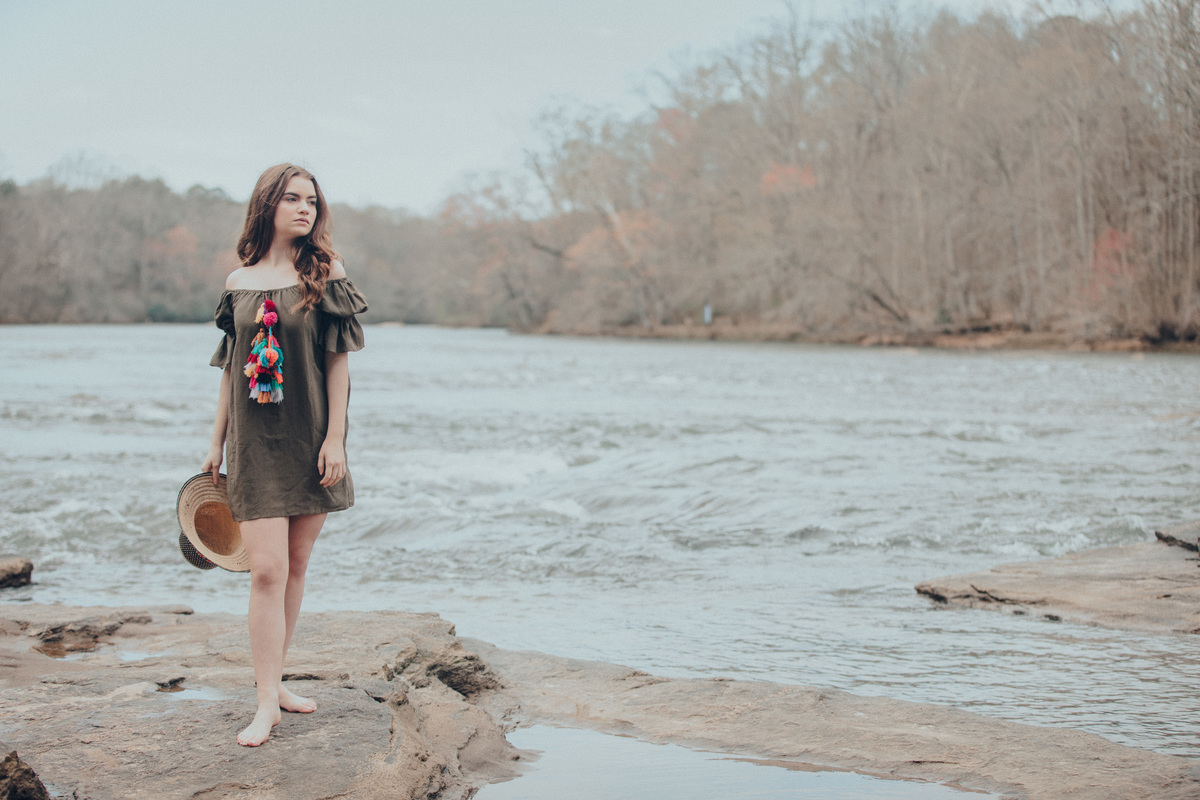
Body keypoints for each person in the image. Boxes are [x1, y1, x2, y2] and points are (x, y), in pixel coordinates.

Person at [201, 164, 368, 747]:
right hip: (254, 444)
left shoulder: (326, 273)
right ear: (267, 205)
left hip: (311, 440)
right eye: (293, 199)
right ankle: (265, 701)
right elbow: (230, 369)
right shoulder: (239, 281)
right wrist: (215, 442)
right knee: (267, 570)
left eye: (312, 201)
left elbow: (338, 365)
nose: (305, 209)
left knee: (295, 566)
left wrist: (336, 439)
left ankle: (275, 687)